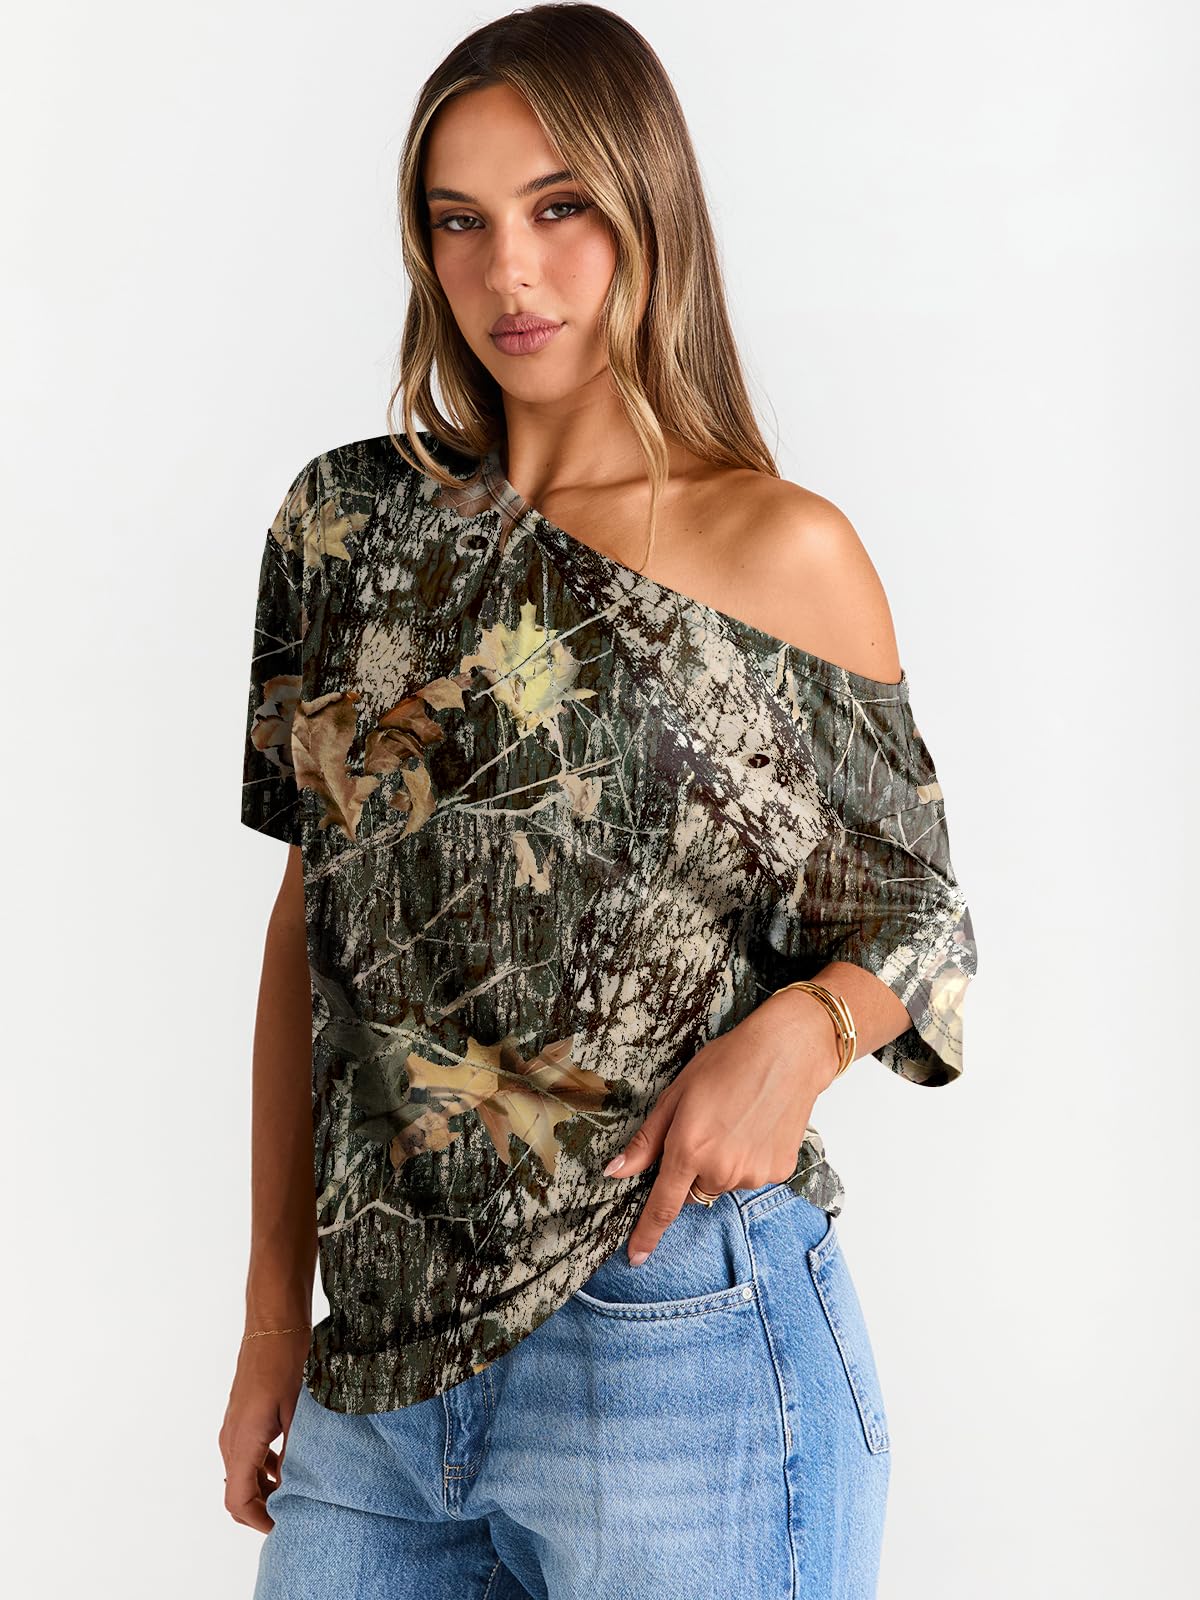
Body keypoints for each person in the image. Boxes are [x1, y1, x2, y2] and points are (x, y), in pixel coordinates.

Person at [220, 6, 978, 1597]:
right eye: (461, 221)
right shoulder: (345, 526)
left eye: (560, 207)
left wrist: (803, 1036)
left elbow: (921, 919)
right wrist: (274, 1314)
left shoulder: (781, 550)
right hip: (378, 1380)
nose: (512, 271)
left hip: (676, 1332)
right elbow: (313, 931)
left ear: (649, 209)